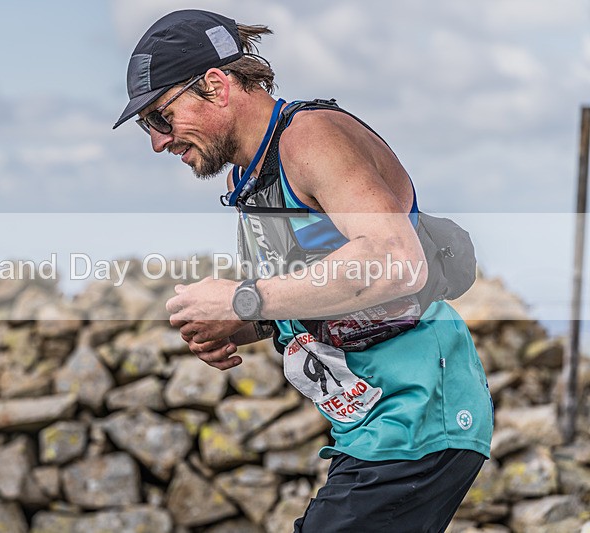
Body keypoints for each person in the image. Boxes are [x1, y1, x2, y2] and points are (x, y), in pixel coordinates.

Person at [113, 9, 493, 532]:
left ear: (217, 86)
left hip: (419, 417)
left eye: (160, 118)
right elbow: (319, 291)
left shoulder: (312, 139)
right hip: (369, 427)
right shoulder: (253, 173)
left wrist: (242, 300)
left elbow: (394, 261)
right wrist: (243, 325)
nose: (158, 141)